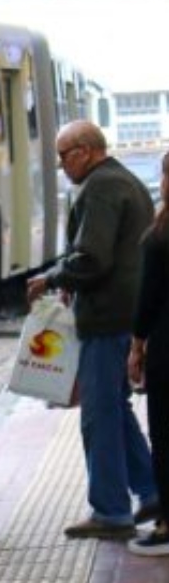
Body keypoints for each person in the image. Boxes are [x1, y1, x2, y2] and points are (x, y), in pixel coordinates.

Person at [27, 121, 158, 540]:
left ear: (85, 151)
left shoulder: (100, 187)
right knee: (116, 411)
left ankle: (111, 511)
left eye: (64, 155)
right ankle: (151, 490)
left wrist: (53, 278)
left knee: (99, 415)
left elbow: (92, 257)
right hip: (124, 313)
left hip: (106, 318)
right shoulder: (126, 181)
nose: (61, 164)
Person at [127, 151, 169, 555]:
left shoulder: (159, 236)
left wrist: (136, 347)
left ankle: (166, 525)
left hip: (166, 351)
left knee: (165, 435)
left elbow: (147, 302)